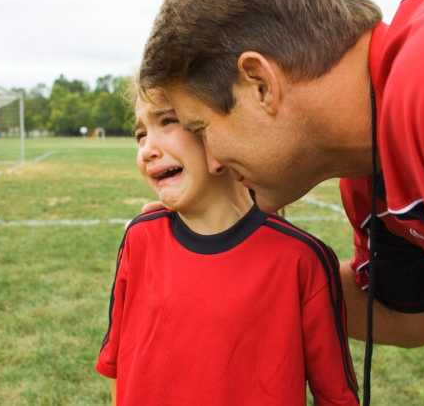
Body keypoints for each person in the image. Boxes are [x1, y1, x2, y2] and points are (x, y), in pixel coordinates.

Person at [138, 0, 424, 349]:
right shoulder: (367, 174)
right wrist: (230, 261)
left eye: (200, 129)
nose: (212, 162)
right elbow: (407, 320)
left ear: (260, 85)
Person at [96, 88, 359, 405]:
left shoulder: (301, 260)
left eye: (167, 120)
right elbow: (116, 365)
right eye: (140, 134)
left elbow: (335, 396)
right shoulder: (140, 239)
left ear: (224, 130)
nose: (147, 149)